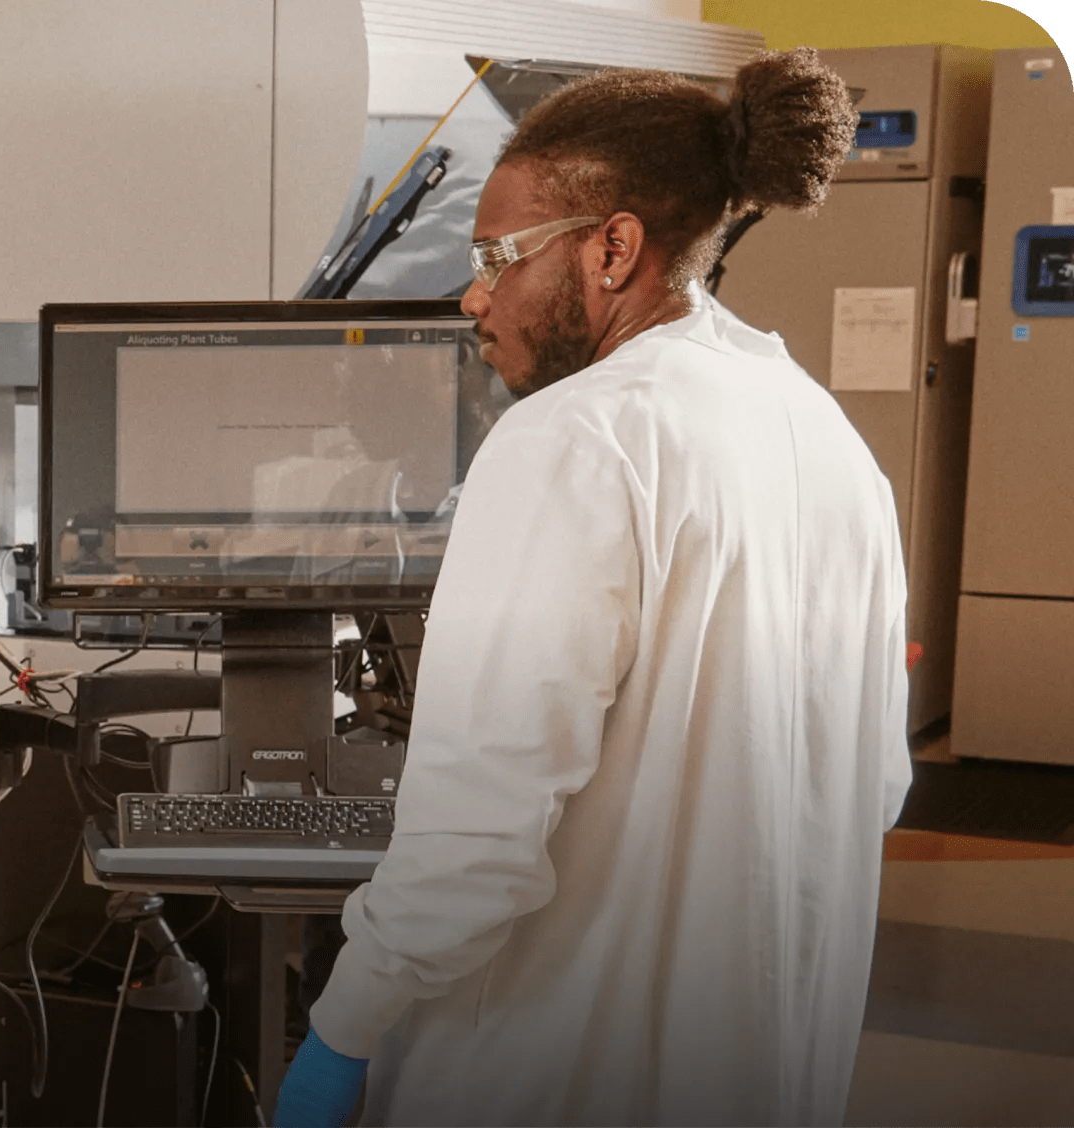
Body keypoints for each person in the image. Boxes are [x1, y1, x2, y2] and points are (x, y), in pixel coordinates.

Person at [275, 48, 912, 1128]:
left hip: (550, 1073)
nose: (475, 295)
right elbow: (873, 782)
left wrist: (340, 1033)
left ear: (611, 247)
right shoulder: (823, 434)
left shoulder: (571, 439)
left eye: (497, 255)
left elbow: (473, 843)